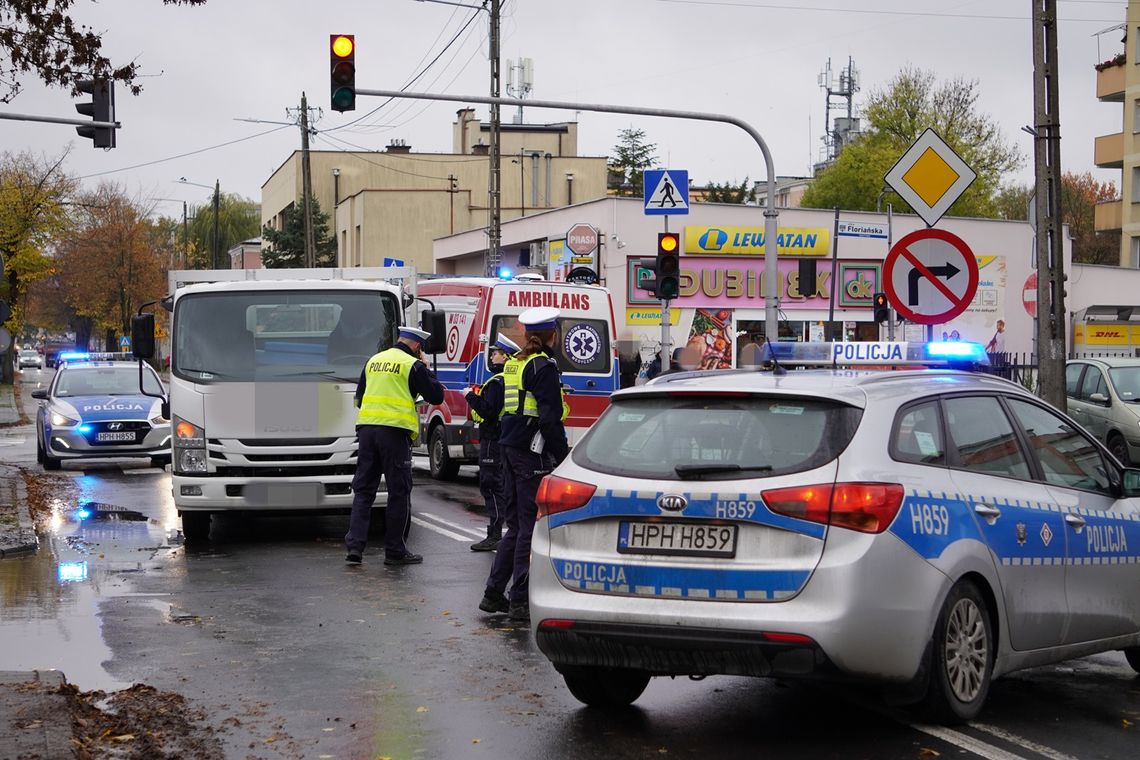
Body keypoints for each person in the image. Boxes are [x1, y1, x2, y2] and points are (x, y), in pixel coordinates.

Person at [479, 307, 569, 621]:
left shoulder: (516, 362)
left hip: (508, 446)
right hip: (530, 452)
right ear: (551, 335)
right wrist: (563, 457)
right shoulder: (543, 366)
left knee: (515, 526)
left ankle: (493, 593)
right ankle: (520, 600)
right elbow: (550, 418)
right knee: (529, 528)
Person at [344, 325, 444, 566]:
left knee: (364, 490)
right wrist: (427, 369)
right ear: (417, 346)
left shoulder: (374, 361)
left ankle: (355, 548)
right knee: (398, 492)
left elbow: (359, 398)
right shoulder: (413, 365)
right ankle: (395, 551)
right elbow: (436, 396)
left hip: (367, 431)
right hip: (394, 433)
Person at [464, 333, 520, 552]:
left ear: (505, 357)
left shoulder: (497, 382)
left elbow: (489, 411)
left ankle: (494, 534)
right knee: (503, 485)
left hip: (492, 438)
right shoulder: (510, 379)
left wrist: (470, 396)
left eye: (495, 353)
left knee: (491, 485)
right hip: (504, 436)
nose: (492, 356)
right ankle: (508, 532)